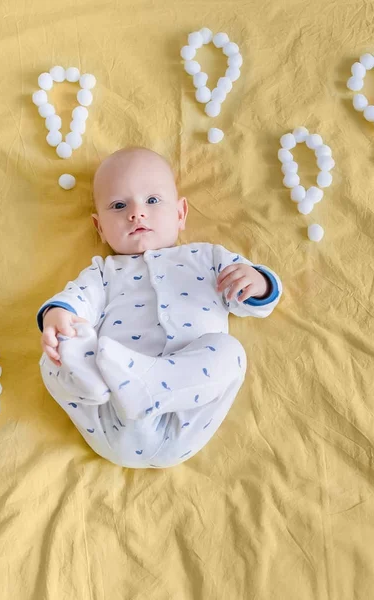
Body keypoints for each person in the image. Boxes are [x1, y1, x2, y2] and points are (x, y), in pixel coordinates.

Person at [36, 147, 282, 468]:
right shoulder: (104, 273)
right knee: (54, 354)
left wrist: (258, 284)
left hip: (186, 416)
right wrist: (59, 317)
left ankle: (148, 386)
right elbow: (77, 299)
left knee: (229, 354)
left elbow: (257, 301)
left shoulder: (207, 259)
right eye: (119, 205)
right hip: (112, 413)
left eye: (152, 201)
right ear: (100, 227)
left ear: (180, 214)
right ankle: (93, 381)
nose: (136, 213)